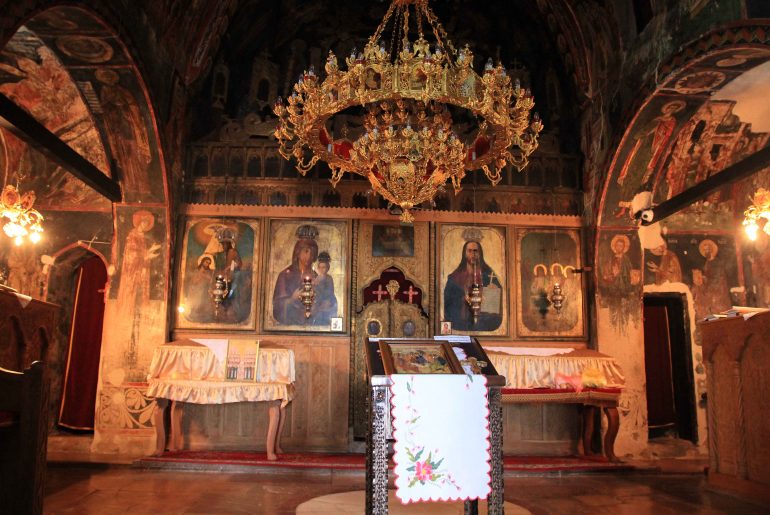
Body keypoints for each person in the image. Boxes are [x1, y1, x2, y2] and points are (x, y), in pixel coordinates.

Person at [443, 239, 502, 331]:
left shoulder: (489, 275)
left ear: (480, 253)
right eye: (469, 251)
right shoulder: (455, 277)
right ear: (465, 253)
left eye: (475, 251)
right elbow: (448, 302)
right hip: (461, 322)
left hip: (483, 322)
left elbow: (498, 302)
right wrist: (462, 300)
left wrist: (494, 290)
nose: (473, 254)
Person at [272, 225, 319, 325]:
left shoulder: (316, 276)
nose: (309, 256)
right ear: (298, 252)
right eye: (306, 251)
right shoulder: (285, 275)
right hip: (291, 323)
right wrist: (291, 299)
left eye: (312, 253)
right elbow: (277, 306)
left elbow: (323, 301)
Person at [311, 251, 338, 326]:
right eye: (320, 267)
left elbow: (329, 292)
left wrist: (319, 286)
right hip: (317, 301)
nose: (322, 269)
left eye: (324, 267)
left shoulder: (329, 278)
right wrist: (314, 285)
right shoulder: (316, 278)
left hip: (328, 301)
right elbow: (313, 291)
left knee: (324, 317)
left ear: (327, 268)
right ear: (318, 268)